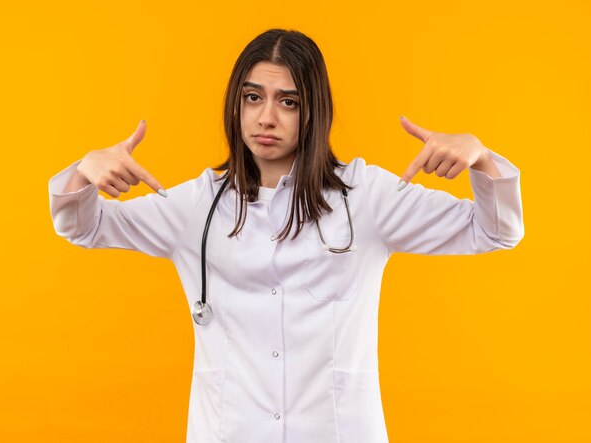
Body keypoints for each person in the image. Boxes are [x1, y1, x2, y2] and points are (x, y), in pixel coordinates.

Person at [48, 28, 524, 443]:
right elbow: (82, 225)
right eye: (253, 97)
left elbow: (495, 230)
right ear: (236, 103)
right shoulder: (197, 206)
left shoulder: (368, 197)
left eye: (288, 101)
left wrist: (480, 158)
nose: (266, 117)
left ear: (314, 110)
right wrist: (84, 171)